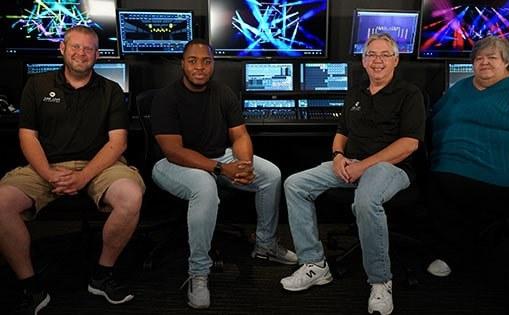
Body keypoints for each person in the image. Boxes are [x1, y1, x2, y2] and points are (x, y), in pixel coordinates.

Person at [0, 26, 145, 314]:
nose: (81, 53)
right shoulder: (37, 85)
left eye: (88, 48)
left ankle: (102, 276)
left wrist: (82, 177)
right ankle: (30, 286)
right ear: (62, 49)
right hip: (46, 165)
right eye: (75, 47)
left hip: (101, 165)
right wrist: (50, 174)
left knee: (131, 195)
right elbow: (28, 137)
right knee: (1, 203)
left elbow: (117, 144)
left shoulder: (111, 90)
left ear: (97, 54)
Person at [280, 33, 425, 315]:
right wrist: (337, 156)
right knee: (295, 184)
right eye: (371, 54)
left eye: (385, 55)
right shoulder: (356, 91)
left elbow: (409, 144)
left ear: (396, 60)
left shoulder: (410, 94)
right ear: (363, 59)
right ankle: (315, 264)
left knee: (366, 200)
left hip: (391, 168)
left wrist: (362, 166)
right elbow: (342, 132)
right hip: (351, 164)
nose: (377, 60)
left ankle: (381, 281)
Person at [150, 39, 297, 309]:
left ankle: (265, 246)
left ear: (213, 64)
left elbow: (240, 135)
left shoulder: (223, 92)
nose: (200, 67)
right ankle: (198, 272)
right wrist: (221, 169)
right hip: (173, 165)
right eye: (193, 61)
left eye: (206, 61)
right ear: (182, 63)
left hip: (220, 157)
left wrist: (244, 165)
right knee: (205, 187)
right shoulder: (166, 97)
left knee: (271, 175)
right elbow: (173, 151)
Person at [427, 36, 509, 315]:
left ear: (507, 62)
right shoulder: (459, 89)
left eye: (492, 58)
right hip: (453, 176)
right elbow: (434, 120)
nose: (484, 63)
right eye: (478, 58)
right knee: (430, 190)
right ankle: (451, 253)